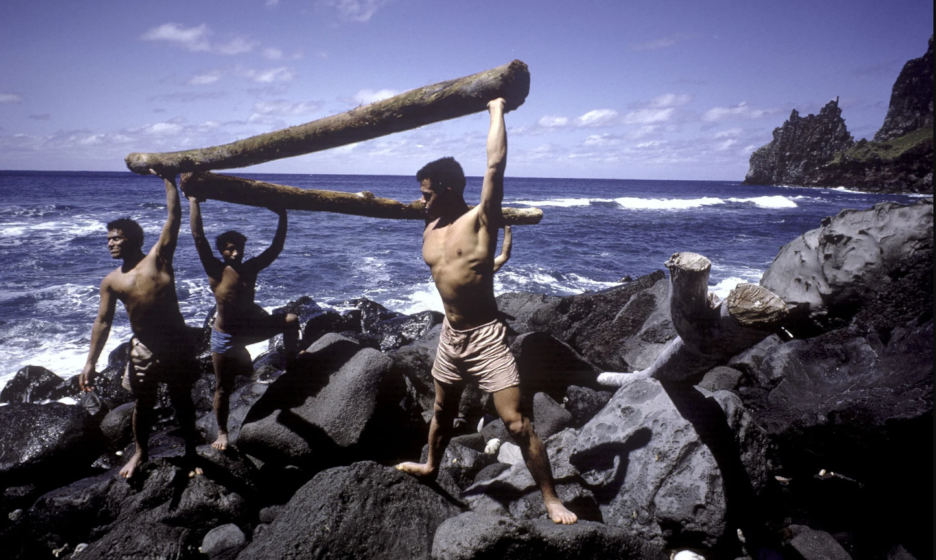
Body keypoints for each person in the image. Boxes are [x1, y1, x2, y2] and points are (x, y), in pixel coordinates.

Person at [396, 98, 577, 525]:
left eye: (425, 194)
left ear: (447, 190)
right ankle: (431, 466)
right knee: (442, 412)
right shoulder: (430, 225)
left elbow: (494, 167)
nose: (420, 202)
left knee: (515, 423)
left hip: (486, 337)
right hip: (450, 337)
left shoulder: (481, 220)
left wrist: (496, 109)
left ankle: (551, 498)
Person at [80, 173, 200, 479]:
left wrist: (168, 178)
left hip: (176, 343)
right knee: (143, 405)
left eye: (116, 238)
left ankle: (192, 453)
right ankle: (140, 453)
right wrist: (90, 361)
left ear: (132, 239)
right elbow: (103, 321)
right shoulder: (112, 281)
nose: (110, 244)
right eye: (108, 239)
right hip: (143, 349)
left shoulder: (158, 259)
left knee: (182, 399)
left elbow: (173, 216)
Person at [185, 194, 299, 451]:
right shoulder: (215, 269)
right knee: (222, 388)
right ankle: (223, 432)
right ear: (221, 250)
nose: (234, 252)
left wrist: (283, 215)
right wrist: (194, 201)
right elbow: (198, 238)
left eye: (238, 247)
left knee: (291, 320)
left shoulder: (251, 268)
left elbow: (275, 248)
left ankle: (293, 367)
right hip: (225, 337)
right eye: (228, 247)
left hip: (251, 330)